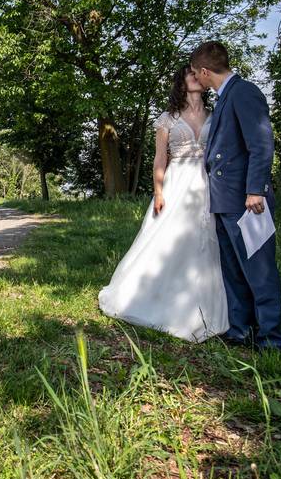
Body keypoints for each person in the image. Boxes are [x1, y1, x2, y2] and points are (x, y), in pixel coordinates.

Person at [98, 65, 228, 342]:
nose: (195, 77)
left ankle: (201, 306)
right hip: (176, 181)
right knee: (165, 239)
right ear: (181, 82)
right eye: (190, 74)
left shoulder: (214, 116)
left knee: (205, 241)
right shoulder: (167, 118)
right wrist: (158, 192)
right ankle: (152, 296)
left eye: (198, 74)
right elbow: (159, 158)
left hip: (206, 184)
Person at [190, 41, 281, 350]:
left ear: (204, 71)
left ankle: (271, 338)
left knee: (259, 271)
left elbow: (261, 143)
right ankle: (240, 330)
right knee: (234, 271)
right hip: (225, 199)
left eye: (196, 74)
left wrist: (255, 189)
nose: (197, 80)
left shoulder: (244, 92)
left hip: (247, 201)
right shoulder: (226, 97)